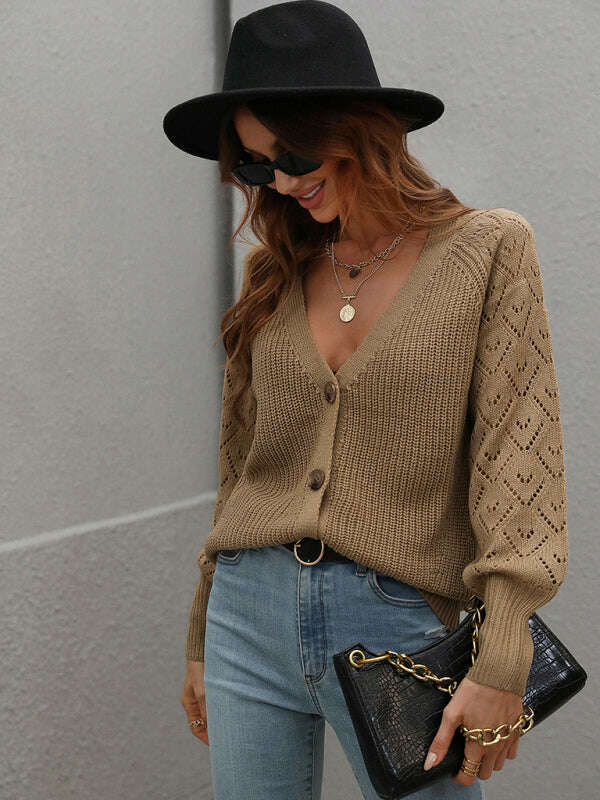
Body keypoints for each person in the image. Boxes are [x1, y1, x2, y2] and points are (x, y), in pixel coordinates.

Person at [163, 2, 568, 798]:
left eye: (292, 152)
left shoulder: (488, 249)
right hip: (247, 612)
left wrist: (502, 654)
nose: (282, 181)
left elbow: (519, 457)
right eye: (257, 167)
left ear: (361, 128)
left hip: (397, 625)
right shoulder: (274, 275)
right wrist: (203, 633)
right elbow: (241, 467)